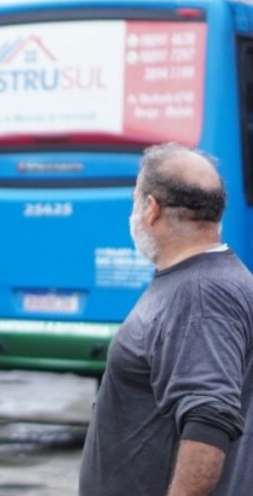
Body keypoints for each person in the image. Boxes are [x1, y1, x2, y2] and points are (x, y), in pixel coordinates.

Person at [79, 143, 253, 496]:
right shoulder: (202, 279)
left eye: (135, 198)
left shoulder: (201, 294)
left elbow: (208, 421)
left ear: (151, 208)